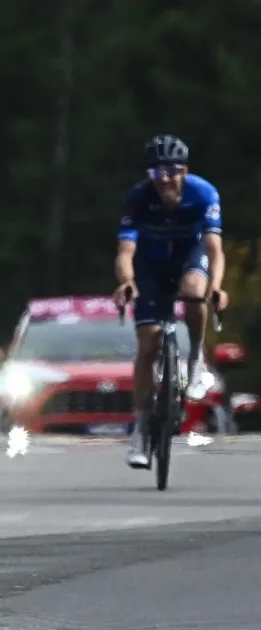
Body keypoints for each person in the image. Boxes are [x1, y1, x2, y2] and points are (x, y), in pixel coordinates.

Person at [112, 134, 229, 469]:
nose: (165, 178)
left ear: (185, 170)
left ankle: (195, 362)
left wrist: (217, 287)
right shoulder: (138, 198)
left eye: (173, 170)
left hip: (190, 258)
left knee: (195, 289)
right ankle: (139, 432)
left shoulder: (203, 193)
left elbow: (214, 249)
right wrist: (127, 282)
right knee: (148, 345)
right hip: (151, 265)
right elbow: (125, 252)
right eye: (156, 172)